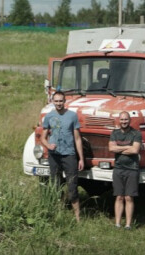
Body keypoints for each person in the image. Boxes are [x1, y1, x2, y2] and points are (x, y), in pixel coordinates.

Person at [40, 91, 85, 221]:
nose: (59, 103)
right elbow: (43, 137)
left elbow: (77, 138)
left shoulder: (72, 116)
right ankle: (58, 214)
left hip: (69, 155)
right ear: (53, 102)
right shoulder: (49, 116)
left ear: (65, 102)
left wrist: (81, 158)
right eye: (56, 101)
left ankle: (78, 218)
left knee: (72, 186)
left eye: (61, 101)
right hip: (54, 156)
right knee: (55, 185)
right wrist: (48, 146)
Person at [109, 111, 142, 229]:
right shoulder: (114, 133)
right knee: (119, 197)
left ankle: (128, 224)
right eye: (122, 120)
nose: (124, 122)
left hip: (132, 169)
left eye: (126, 120)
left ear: (130, 120)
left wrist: (119, 149)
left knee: (129, 197)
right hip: (118, 168)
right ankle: (117, 224)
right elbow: (111, 148)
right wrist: (128, 147)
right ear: (119, 120)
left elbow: (135, 150)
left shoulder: (136, 134)